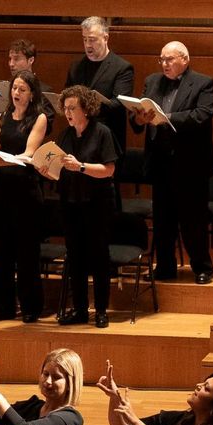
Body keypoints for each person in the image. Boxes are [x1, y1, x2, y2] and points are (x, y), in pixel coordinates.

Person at [137, 42, 213, 284]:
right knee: (163, 219)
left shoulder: (203, 82)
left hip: (190, 163)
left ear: (185, 59)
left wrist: (167, 118)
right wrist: (138, 118)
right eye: (161, 59)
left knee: (193, 219)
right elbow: (141, 116)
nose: (164, 64)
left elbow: (202, 115)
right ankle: (165, 267)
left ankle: (202, 268)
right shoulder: (152, 81)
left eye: (170, 59)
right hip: (160, 162)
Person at [0, 70, 50, 321]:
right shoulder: (3, 116)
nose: (17, 93)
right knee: (0, 251)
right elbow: (0, 147)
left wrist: (5, 158)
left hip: (25, 190)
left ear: (32, 94)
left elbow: (30, 153)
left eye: (22, 89)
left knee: (26, 252)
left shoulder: (39, 118)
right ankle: (3, 307)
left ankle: (31, 307)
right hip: (1, 188)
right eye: (14, 88)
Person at [55, 85, 119, 328]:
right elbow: (59, 168)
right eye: (66, 108)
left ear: (86, 109)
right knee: (76, 258)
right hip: (70, 202)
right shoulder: (65, 135)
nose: (68, 113)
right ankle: (80, 309)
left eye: (73, 108)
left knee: (98, 257)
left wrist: (81, 166)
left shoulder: (102, 132)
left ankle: (101, 310)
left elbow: (109, 170)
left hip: (97, 204)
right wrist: (46, 168)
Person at [65, 16, 136, 149]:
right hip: (78, 137)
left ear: (106, 38)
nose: (87, 45)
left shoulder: (122, 68)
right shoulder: (76, 66)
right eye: (84, 39)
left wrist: (86, 104)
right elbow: (67, 95)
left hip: (107, 139)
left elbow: (119, 105)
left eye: (92, 40)